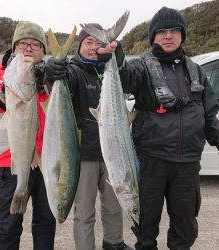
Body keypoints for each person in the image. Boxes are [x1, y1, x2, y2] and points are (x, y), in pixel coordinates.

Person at [96, 6, 219, 250]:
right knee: (145, 226)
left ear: (182, 35)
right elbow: (127, 77)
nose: (168, 36)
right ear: (153, 36)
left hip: (187, 163)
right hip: (150, 161)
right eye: (162, 31)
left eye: (174, 30)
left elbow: (209, 115)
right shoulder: (143, 66)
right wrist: (117, 60)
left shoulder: (196, 70)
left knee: (185, 226)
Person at [44, 24, 133, 250]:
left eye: (98, 43)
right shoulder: (73, 71)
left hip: (113, 154)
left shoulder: (110, 72)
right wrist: (51, 71)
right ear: (79, 46)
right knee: (84, 210)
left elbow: (132, 79)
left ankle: (114, 242)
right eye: (88, 42)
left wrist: (117, 61)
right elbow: (57, 80)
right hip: (84, 156)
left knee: (114, 205)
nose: (94, 48)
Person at [0, 21, 56, 250]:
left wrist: (48, 85)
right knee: (9, 223)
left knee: (46, 221)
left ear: (43, 52)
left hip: (45, 159)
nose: (28, 48)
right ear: (14, 47)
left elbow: (59, 111)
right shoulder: (2, 75)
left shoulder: (50, 78)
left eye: (36, 45)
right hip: (10, 160)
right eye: (23, 43)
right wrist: (5, 95)